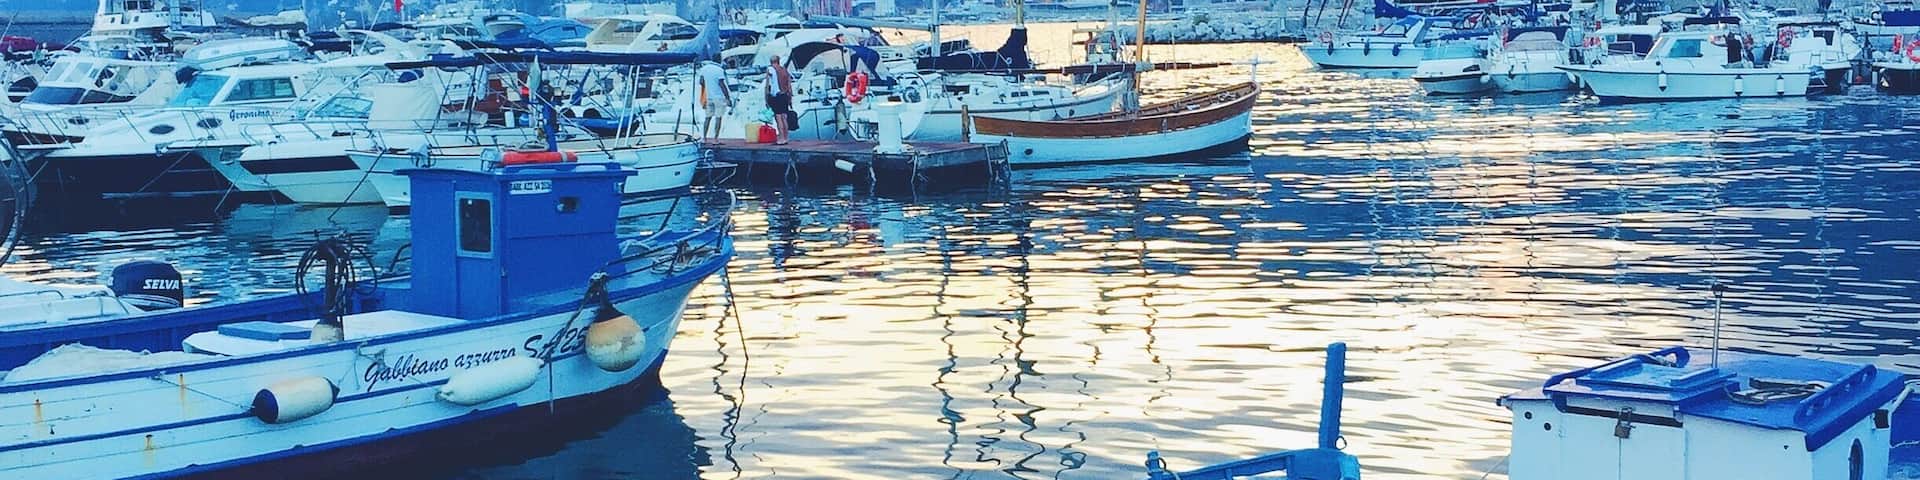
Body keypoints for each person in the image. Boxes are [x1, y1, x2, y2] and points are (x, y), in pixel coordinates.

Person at [696, 60, 731, 144]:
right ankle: (715, 139)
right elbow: (721, 84)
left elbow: (701, 82)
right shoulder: (719, 70)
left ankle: (704, 137)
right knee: (718, 118)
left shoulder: (704, 69)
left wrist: (708, 86)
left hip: (709, 97)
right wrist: (728, 97)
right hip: (719, 97)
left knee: (707, 118)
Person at [765, 55, 794, 145]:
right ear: (778, 61)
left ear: (771, 62)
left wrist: (766, 97)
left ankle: (781, 138)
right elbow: (789, 84)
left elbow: (768, 85)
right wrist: (790, 97)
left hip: (776, 96)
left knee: (778, 117)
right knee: (784, 117)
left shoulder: (770, 69)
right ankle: (786, 137)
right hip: (784, 95)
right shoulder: (784, 70)